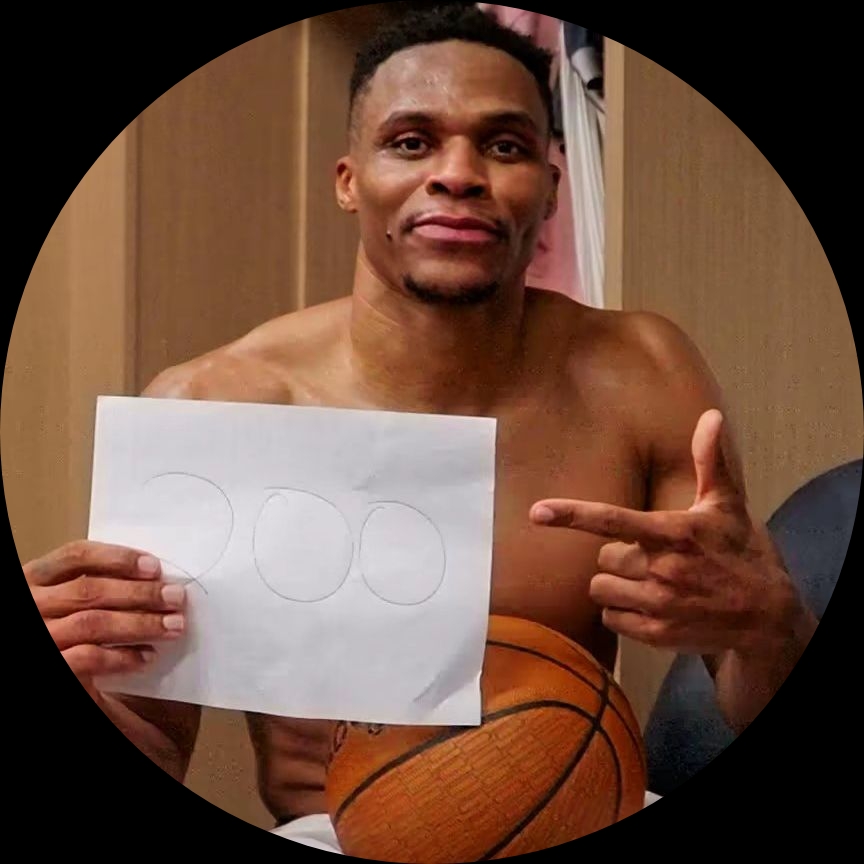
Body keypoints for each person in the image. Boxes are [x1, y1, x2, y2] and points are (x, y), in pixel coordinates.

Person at [23, 4, 818, 851]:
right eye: (411, 142)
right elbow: (152, 745)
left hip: (578, 810)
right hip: (335, 832)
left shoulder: (641, 371)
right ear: (348, 180)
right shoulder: (213, 405)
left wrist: (768, 626)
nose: (458, 174)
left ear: (551, 186)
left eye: (504, 146)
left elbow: (747, 687)